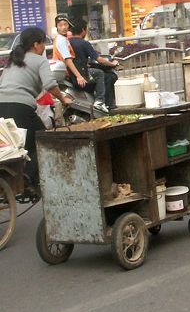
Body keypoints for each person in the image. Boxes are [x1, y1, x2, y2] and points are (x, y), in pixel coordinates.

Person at [0, 27, 72, 189]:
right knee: (44, 141)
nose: (43, 47)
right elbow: (50, 84)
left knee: (15, 145)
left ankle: (15, 178)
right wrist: (63, 98)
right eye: (42, 43)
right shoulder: (40, 60)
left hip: (1, 106)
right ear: (35, 44)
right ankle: (28, 176)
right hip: (20, 107)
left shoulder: (14, 60)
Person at [69, 21, 119, 111]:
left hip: (72, 73)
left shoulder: (68, 42)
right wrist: (112, 64)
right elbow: (99, 59)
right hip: (82, 74)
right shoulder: (84, 43)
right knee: (101, 74)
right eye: (86, 29)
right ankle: (100, 101)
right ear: (83, 30)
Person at [52, 14, 87, 90]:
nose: (63, 27)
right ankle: (100, 100)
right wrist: (79, 76)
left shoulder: (62, 38)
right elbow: (68, 60)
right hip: (68, 74)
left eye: (65, 24)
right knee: (99, 74)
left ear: (69, 25)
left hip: (67, 72)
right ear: (57, 27)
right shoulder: (61, 40)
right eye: (60, 25)